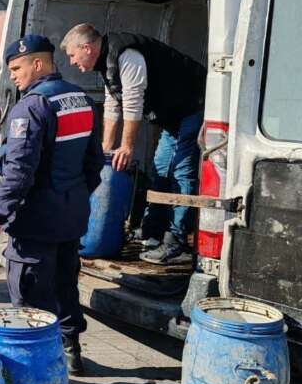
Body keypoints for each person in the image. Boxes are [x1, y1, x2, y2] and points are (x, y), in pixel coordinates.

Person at [0, 34, 104, 374]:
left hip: (36, 220)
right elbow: (94, 163)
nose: (13, 76)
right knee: (66, 282)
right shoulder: (81, 99)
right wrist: (74, 195)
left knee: (30, 292)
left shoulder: (32, 106)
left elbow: (19, 169)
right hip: (71, 215)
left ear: (38, 64)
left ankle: (37, 366)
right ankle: (71, 351)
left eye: (17, 68)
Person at [60, 23, 205, 265]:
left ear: (86, 47)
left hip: (193, 106)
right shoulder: (107, 63)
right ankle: (153, 231)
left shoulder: (127, 55)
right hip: (173, 116)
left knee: (181, 170)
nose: (73, 62)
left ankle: (177, 242)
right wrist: (105, 148)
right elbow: (113, 104)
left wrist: (126, 146)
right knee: (160, 167)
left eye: (73, 55)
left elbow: (132, 103)